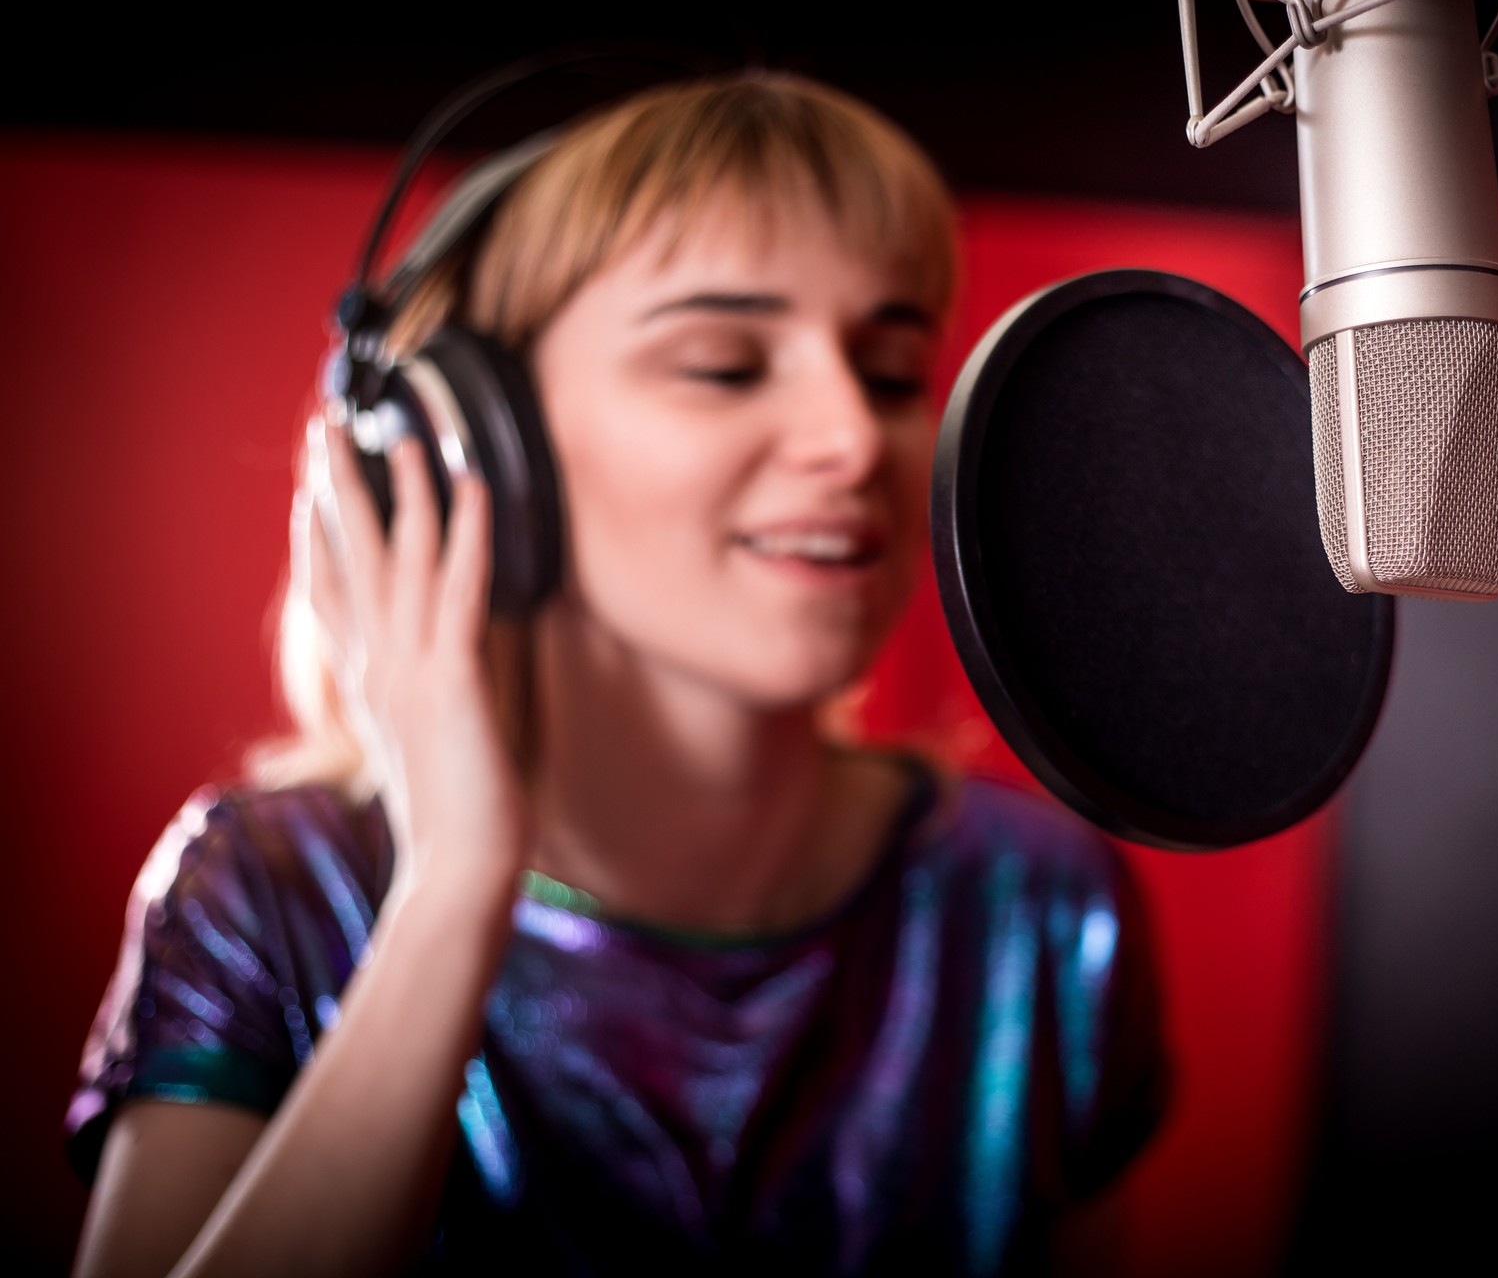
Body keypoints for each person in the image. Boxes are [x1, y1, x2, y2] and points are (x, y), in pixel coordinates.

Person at [64, 72, 1167, 1277]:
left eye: (895, 373)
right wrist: (454, 886)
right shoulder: (266, 889)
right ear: (473, 445)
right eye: (724, 365)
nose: (855, 438)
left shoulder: (1036, 901)